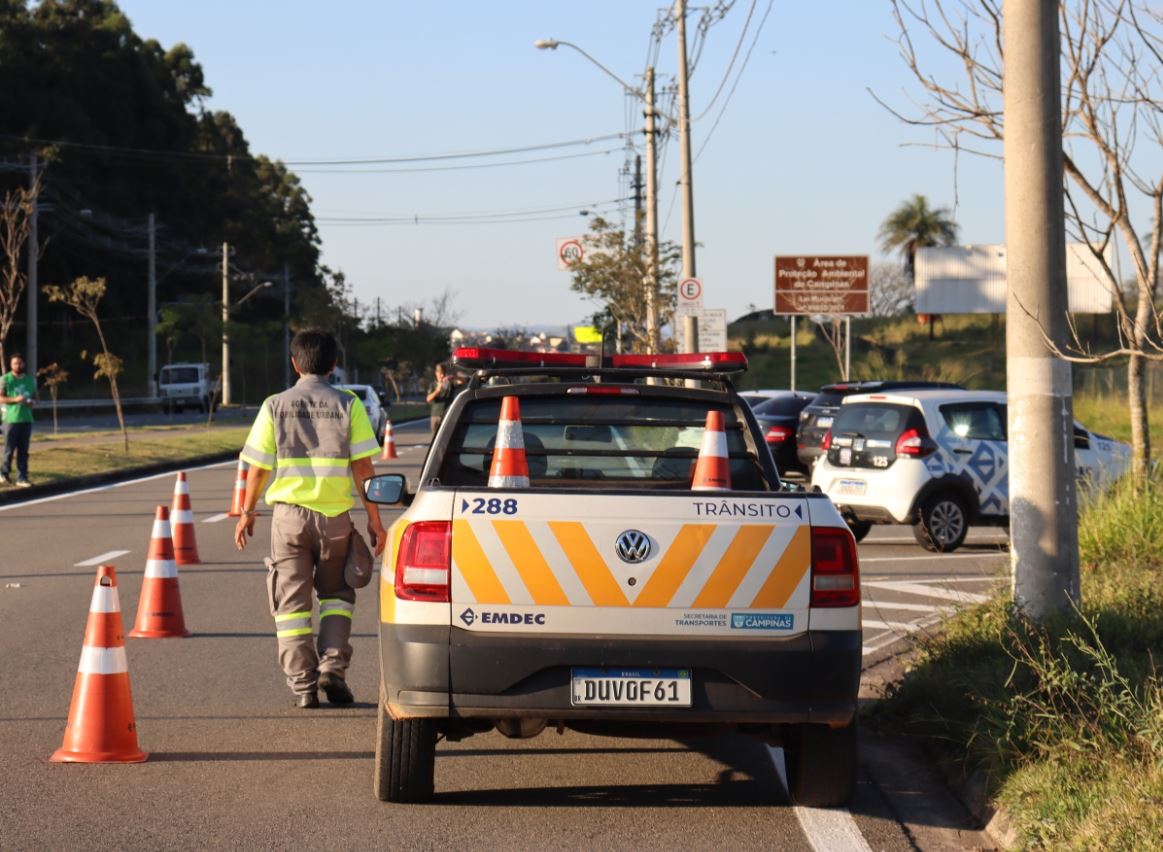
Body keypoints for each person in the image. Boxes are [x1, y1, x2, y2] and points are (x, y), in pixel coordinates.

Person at [234, 329, 387, 709]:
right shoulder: (349, 404)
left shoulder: (274, 405)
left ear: (294, 363)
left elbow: (257, 468)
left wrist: (247, 512)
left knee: (291, 608)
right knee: (337, 597)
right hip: (335, 520)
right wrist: (375, 520)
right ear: (334, 364)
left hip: (288, 521)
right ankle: (332, 668)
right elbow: (363, 468)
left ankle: (303, 686)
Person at [1, 353, 37, 487]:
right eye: (15, 363)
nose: (17, 365)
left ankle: (22, 477)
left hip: (26, 418)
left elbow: (35, 398)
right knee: (9, 449)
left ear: (24, 364)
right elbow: (1, 398)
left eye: (19, 363)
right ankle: (4, 474)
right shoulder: (6, 379)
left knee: (23, 450)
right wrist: (15, 399)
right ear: (11, 365)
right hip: (11, 419)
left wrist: (30, 402)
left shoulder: (30, 380)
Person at [425, 362, 453, 435]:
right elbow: (428, 399)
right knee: (435, 437)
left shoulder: (450, 383)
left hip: (447, 414)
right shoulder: (433, 385)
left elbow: (462, 381)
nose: (442, 375)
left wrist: (455, 376)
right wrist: (437, 391)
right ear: (436, 373)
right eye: (440, 373)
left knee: (447, 436)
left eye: (444, 373)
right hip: (435, 415)